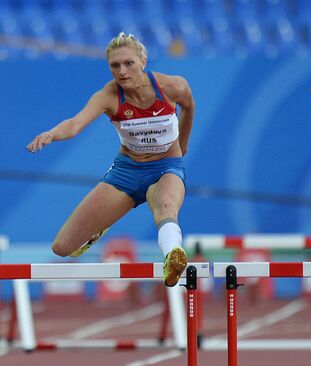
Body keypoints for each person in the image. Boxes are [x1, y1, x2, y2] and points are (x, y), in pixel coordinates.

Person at [26, 32, 195, 287]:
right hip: (126, 173)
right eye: (115, 66)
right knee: (62, 247)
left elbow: (189, 105)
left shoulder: (172, 86)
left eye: (129, 63)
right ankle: (98, 229)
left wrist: (183, 143)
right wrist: (51, 134)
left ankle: (173, 255)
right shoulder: (108, 96)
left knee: (166, 207)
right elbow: (74, 124)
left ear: (143, 61)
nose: (122, 71)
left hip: (165, 168)